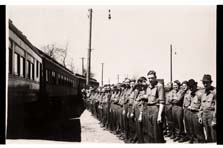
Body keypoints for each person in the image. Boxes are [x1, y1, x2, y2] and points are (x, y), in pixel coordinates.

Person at [142, 70, 165, 143]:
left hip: (156, 109)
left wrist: (159, 115)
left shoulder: (159, 86)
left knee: (156, 132)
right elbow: (148, 98)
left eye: (152, 78)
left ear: (155, 77)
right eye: (149, 78)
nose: (150, 80)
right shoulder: (148, 87)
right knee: (150, 132)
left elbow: (162, 102)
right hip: (149, 109)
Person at [187, 79, 205, 143]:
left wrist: (199, 115)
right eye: (189, 87)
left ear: (195, 86)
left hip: (197, 114)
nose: (191, 88)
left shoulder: (200, 94)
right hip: (191, 113)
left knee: (199, 132)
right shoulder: (191, 94)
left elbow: (202, 106)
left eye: (192, 86)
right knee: (193, 131)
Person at [200, 74, 216, 142]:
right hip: (204, 115)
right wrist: (200, 116)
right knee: (207, 134)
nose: (205, 84)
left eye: (207, 82)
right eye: (204, 82)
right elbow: (202, 105)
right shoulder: (203, 92)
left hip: (212, 115)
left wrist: (215, 119)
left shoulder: (215, 92)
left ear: (211, 82)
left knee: (214, 135)